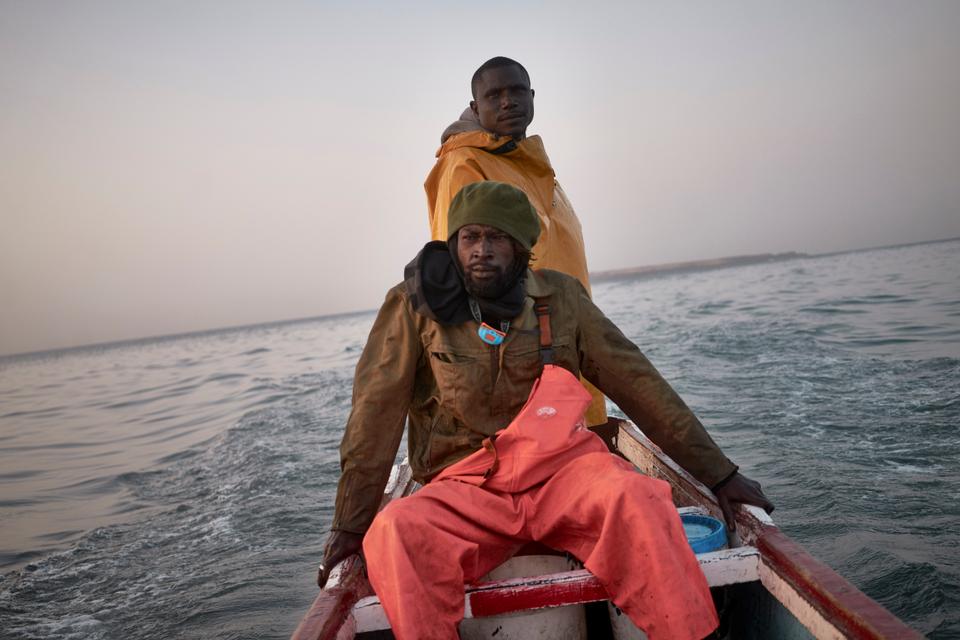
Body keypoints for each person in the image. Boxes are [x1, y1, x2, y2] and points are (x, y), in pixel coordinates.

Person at [319, 181, 774, 640]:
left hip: (563, 474)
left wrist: (719, 474)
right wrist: (349, 527)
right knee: (394, 532)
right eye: (470, 237)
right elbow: (373, 418)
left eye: (496, 238)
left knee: (638, 500)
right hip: (465, 487)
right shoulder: (411, 307)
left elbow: (639, 384)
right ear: (454, 244)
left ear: (521, 247)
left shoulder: (561, 299)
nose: (481, 250)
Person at [424, 56, 608, 429]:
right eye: (495, 95)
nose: (508, 101)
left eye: (517, 91)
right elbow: (468, 273)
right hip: (522, 361)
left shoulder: (534, 165)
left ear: (532, 96)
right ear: (476, 107)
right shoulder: (465, 164)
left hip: (568, 346)